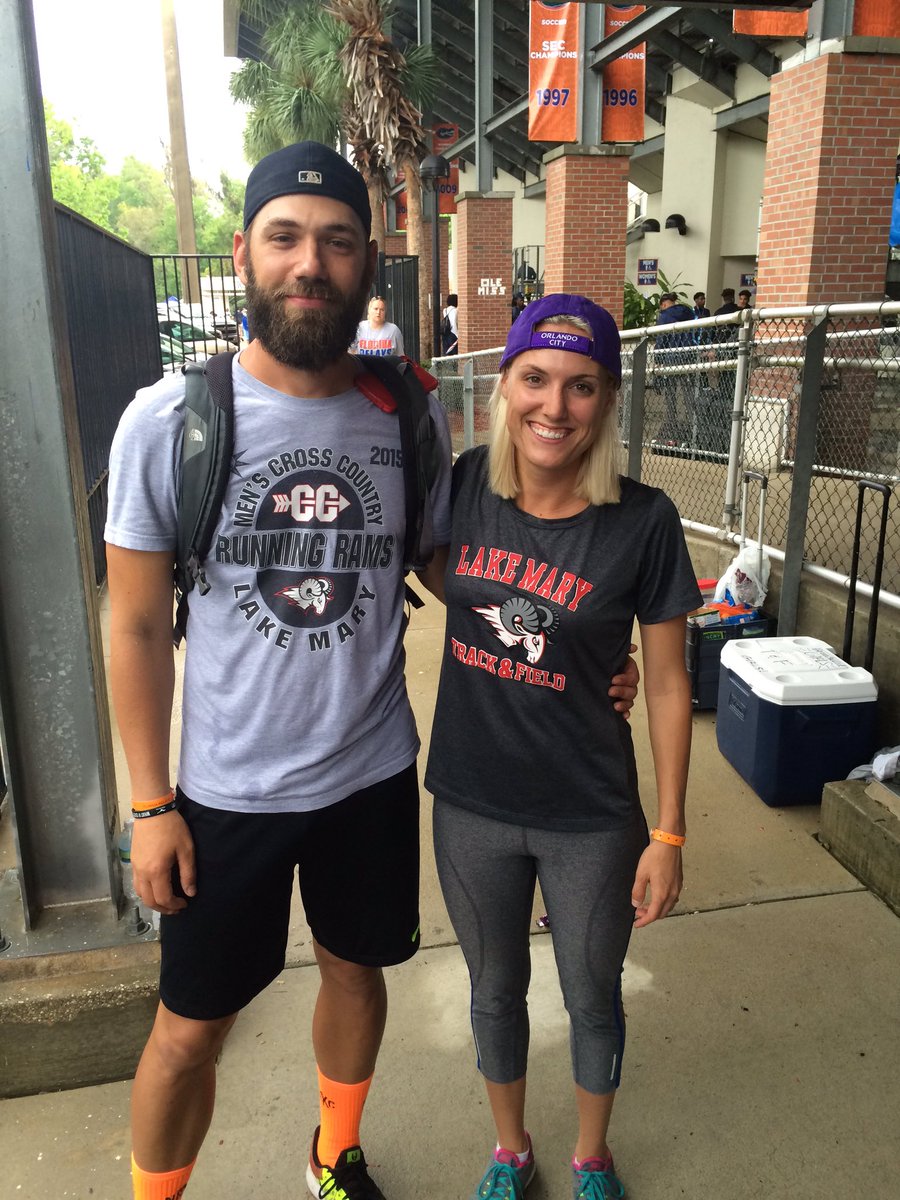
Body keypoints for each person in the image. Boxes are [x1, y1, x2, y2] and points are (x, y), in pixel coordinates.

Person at [104, 141, 457, 1200]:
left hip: (371, 775)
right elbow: (132, 629)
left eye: (337, 243)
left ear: (367, 267)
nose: (311, 263)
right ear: (246, 255)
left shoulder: (410, 416)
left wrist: (573, 646)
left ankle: (333, 1152)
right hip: (226, 795)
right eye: (287, 238)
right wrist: (150, 803)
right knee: (188, 1031)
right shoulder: (170, 422)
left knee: (358, 972)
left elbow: (444, 564)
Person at [424, 294, 699, 1200]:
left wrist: (669, 834)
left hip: (590, 814)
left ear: (608, 400)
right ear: (503, 385)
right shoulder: (463, 485)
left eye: (582, 387)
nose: (556, 406)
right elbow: (434, 571)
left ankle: (591, 1158)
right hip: (472, 801)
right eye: (536, 379)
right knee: (494, 990)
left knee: (592, 992)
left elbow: (664, 682)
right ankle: (510, 1151)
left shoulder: (644, 521)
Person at [653, 291, 693, 443]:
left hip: (671, 357)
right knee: (688, 394)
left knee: (671, 396)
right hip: (688, 355)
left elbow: (661, 337)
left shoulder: (664, 317)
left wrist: (658, 359)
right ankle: (692, 425)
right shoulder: (688, 313)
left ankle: (672, 424)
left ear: (663, 304)